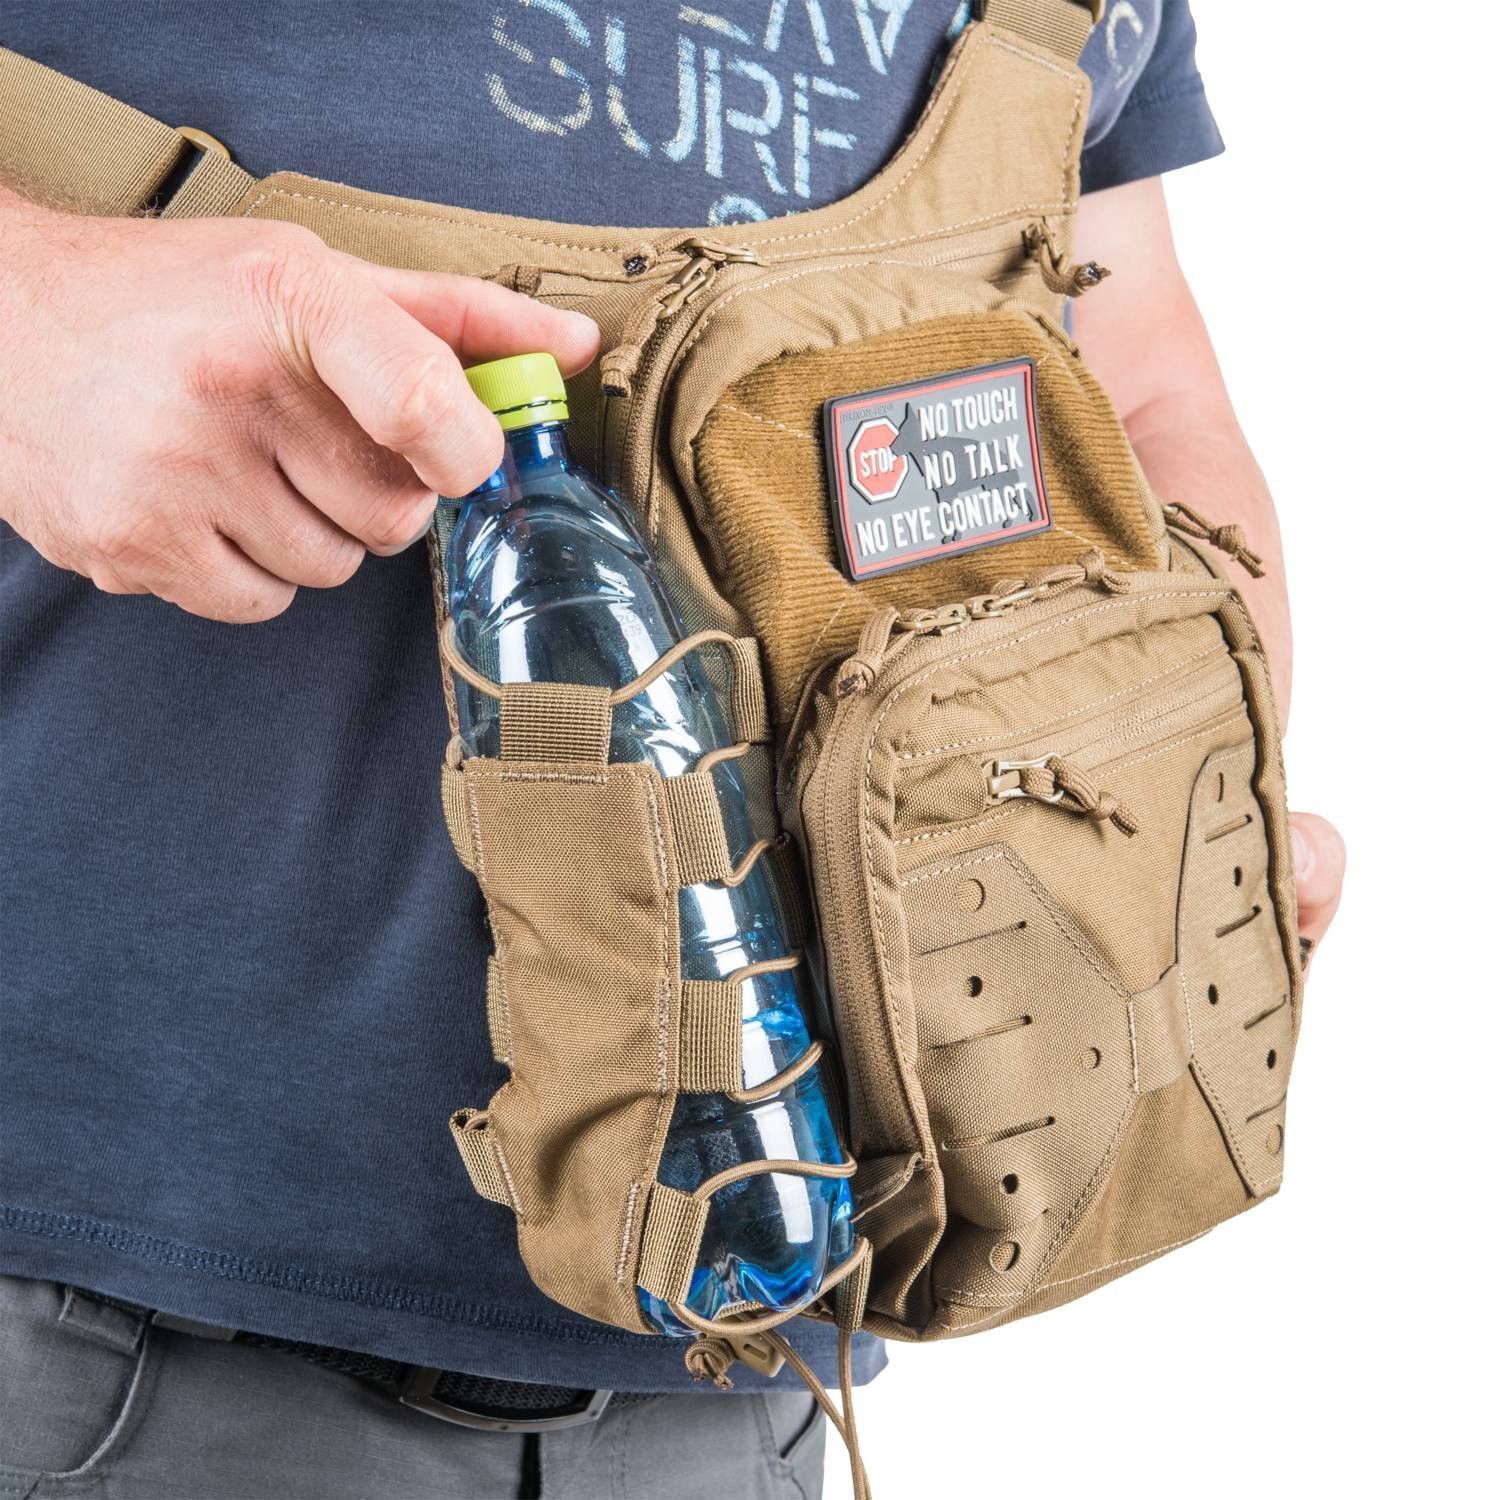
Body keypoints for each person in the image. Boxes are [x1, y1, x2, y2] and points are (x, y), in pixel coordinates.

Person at [0, 4, 1345, 1496]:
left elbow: (1134, 377)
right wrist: (30, 302)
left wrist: (1196, 781)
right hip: (95, 1343)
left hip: (760, 1338)